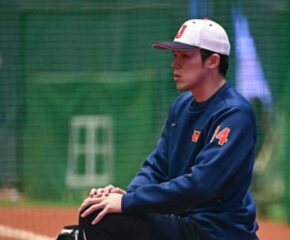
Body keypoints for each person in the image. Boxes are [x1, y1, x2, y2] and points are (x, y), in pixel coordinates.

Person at [78, 18, 259, 240]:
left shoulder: (234, 114)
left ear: (212, 61)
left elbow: (200, 185)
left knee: (104, 219)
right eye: (175, 56)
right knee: (96, 211)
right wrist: (128, 195)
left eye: (185, 56)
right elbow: (157, 166)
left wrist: (128, 203)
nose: (175, 64)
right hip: (182, 223)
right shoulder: (181, 106)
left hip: (215, 232)